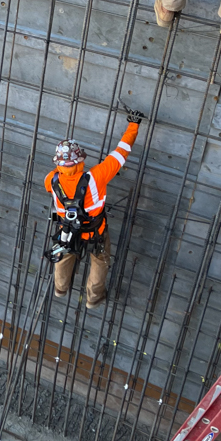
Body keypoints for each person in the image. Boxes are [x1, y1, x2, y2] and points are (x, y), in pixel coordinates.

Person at [44, 108, 144, 309]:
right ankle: (94, 298)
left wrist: (61, 168)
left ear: (59, 164)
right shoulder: (96, 177)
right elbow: (121, 152)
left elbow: (59, 173)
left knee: (64, 255)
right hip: (95, 231)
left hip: (67, 230)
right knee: (99, 262)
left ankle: (60, 288)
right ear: (80, 159)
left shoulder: (51, 179)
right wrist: (133, 125)